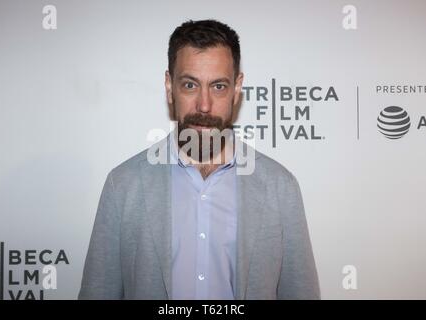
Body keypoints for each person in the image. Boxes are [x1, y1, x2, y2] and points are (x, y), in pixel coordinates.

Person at [78, 19, 320, 300]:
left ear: (237, 87)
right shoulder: (123, 185)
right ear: (169, 86)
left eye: (218, 86)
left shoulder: (280, 187)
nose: (204, 105)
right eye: (190, 85)